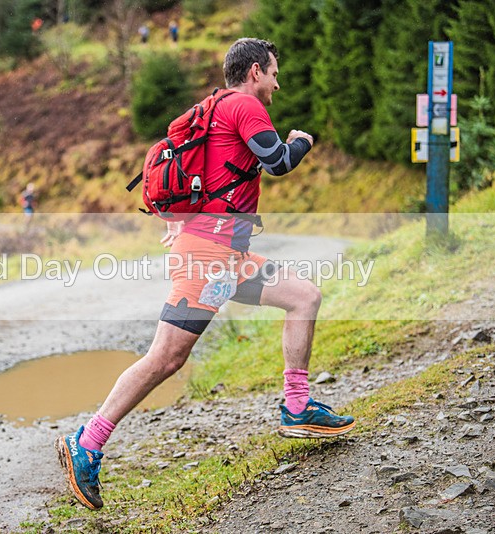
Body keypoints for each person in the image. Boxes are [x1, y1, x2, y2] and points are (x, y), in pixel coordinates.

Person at [55, 38, 355, 510]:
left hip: (228, 256)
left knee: (304, 296)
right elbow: (277, 162)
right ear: (255, 70)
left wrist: (185, 225)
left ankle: (297, 407)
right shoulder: (246, 106)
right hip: (209, 257)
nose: (277, 82)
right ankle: (87, 442)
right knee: (166, 357)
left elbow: (210, 176)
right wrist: (302, 140)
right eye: (274, 72)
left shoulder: (216, 107)